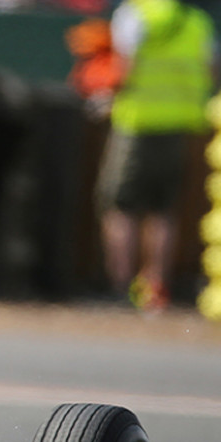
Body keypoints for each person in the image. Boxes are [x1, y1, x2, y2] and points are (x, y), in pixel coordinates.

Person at [96, 0, 218, 312]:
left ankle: (121, 288)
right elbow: (211, 69)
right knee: (163, 209)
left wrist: (103, 94)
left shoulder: (134, 14)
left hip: (136, 123)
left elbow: (123, 68)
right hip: (180, 124)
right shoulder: (197, 21)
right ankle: (155, 290)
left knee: (120, 205)